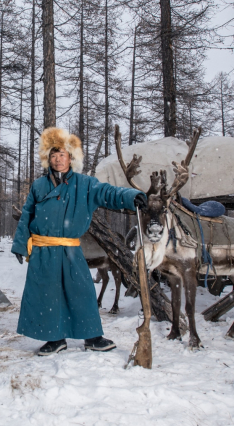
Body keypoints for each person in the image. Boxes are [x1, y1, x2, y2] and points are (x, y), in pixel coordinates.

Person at [11, 127, 148, 356]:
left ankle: (93, 337)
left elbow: (108, 193)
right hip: (44, 250)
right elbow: (27, 215)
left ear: (70, 157)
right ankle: (55, 339)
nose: (57, 160)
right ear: (48, 159)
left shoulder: (85, 184)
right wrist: (19, 244)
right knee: (47, 294)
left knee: (82, 290)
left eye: (61, 154)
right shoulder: (39, 186)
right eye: (53, 155)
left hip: (70, 249)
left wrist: (131, 196)